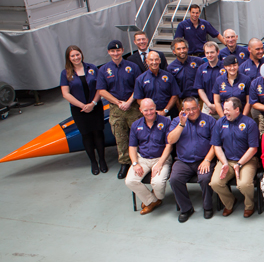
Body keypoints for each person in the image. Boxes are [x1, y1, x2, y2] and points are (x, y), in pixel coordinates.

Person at [97, 40, 142, 179]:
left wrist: (128, 102)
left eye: (118, 50)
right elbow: (101, 90)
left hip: (133, 106)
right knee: (120, 136)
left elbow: (138, 86)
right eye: (112, 51)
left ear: (122, 50)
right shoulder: (104, 70)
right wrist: (118, 102)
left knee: (139, 135)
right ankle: (124, 163)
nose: (115, 53)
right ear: (109, 52)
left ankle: (141, 160)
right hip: (116, 108)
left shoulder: (132, 67)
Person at [167, 97, 216, 222]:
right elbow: (170, 140)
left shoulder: (209, 120)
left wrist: (207, 160)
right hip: (183, 161)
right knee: (174, 179)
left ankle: (208, 207)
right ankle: (186, 208)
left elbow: (216, 144)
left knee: (205, 178)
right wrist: (182, 124)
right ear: (183, 110)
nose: (192, 112)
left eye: (194, 108)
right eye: (188, 109)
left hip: (204, 160)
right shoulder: (176, 121)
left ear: (199, 107)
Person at [209, 97, 260, 218]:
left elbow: (253, 148)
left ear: (237, 109)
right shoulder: (220, 123)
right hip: (227, 160)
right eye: (224, 109)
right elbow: (216, 146)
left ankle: (249, 206)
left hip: (247, 161)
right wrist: (224, 163)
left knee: (244, 185)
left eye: (227, 109)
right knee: (215, 183)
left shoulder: (249, 123)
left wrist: (239, 164)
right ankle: (230, 202)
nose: (224, 112)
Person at [60, 45, 106, 175]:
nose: (76, 57)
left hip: (95, 106)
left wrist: (93, 103)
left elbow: (100, 87)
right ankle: (93, 162)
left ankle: (102, 160)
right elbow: (66, 93)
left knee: (98, 133)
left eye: (77, 54)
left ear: (81, 54)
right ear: (68, 58)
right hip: (79, 110)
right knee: (86, 135)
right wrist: (82, 106)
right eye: (72, 56)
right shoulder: (65, 73)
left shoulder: (92, 68)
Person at [125, 98, 173, 215]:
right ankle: (152, 201)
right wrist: (135, 163)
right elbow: (132, 147)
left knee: (157, 183)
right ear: (141, 110)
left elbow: (169, 146)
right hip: (143, 159)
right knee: (130, 181)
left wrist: (160, 164)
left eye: (151, 109)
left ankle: (155, 198)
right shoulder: (136, 125)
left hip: (161, 158)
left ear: (155, 108)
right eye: (146, 110)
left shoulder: (166, 122)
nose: (149, 112)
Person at [134, 51, 179, 118]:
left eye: (156, 59)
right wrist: (151, 110)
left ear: (160, 60)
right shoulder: (140, 79)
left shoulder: (169, 76)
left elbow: (174, 96)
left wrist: (165, 111)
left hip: (169, 113)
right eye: (151, 60)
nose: (154, 62)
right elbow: (139, 99)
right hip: (150, 115)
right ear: (147, 61)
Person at [194, 42, 225, 115]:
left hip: (224, 106)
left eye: (212, 52)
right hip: (207, 106)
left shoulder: (225, 67)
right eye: (207, 53)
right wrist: (209, 105)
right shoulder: (201, 68)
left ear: (218, 52)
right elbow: (200, 89)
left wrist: (218, 106)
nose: (209, 55)